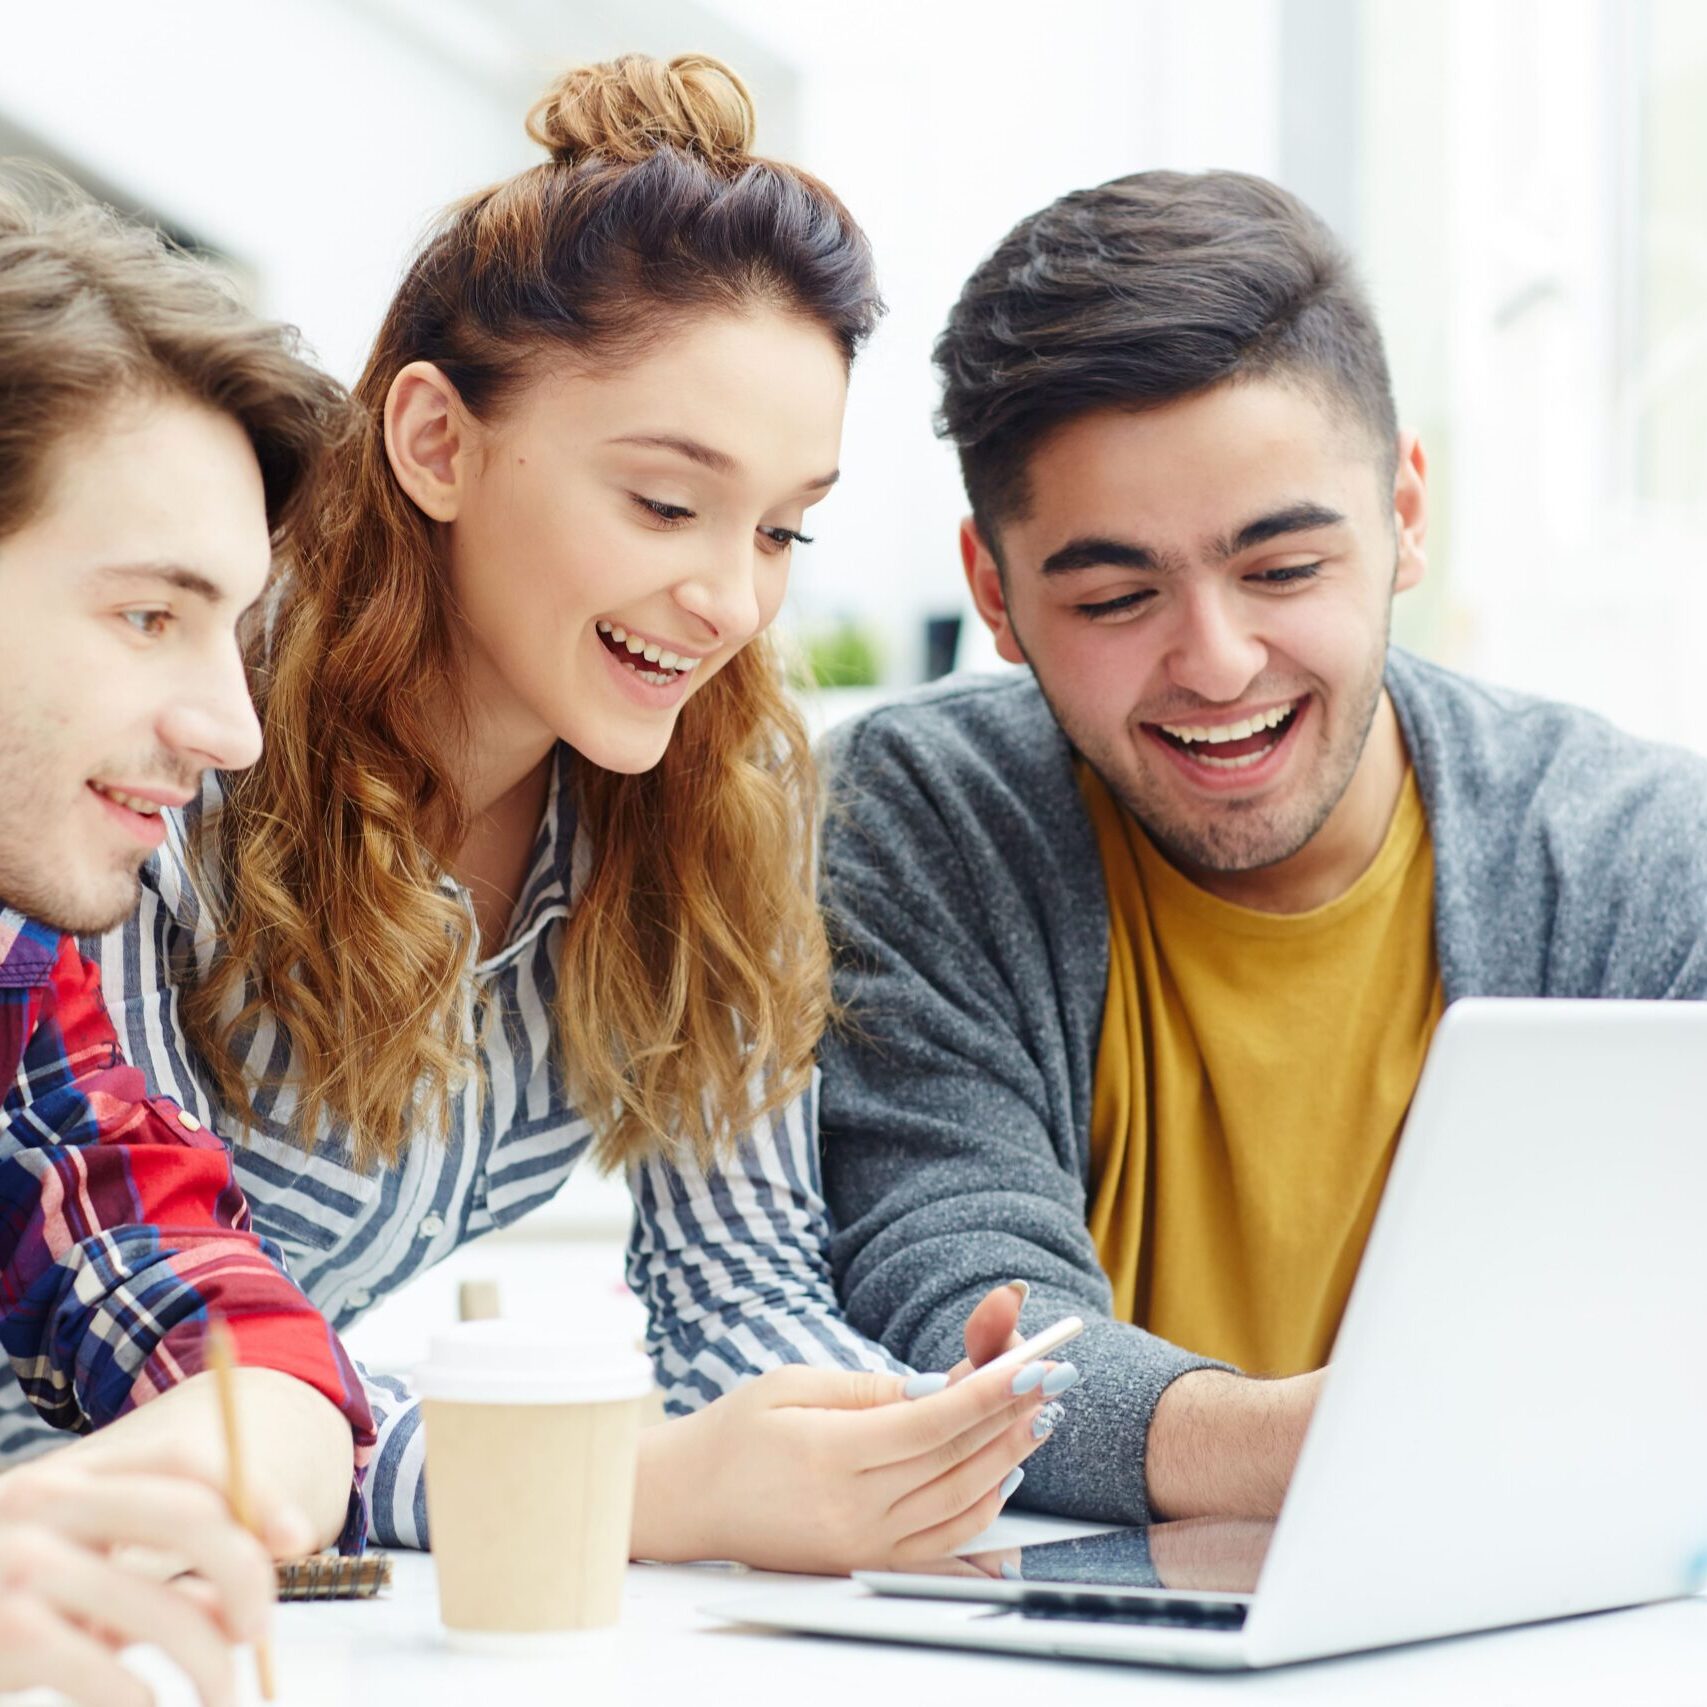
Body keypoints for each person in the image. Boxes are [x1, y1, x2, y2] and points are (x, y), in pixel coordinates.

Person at [46, 54, 1064, 1572]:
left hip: (264, 1520)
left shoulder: (713, 796)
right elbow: (137, 1330)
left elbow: (738, 1287)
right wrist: (628, 1487)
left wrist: (897, 1438)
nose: (730, 598)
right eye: (666, 504)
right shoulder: (173, 742)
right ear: (436, 442)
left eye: (783, 527)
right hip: (101, 1511)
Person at [816, 168, 1707, 1528]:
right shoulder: (926, 825)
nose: (1219, 666)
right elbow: (955, 1311)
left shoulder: (1639, 860)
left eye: (1285, 570)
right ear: (994, 594)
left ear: (1408, 515)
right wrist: (1358, 1444)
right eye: (1117, 596)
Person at [0, 171, 376, 1704]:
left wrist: (73, 1522)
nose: (229, 729)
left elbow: (267, 1368)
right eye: (152, 615)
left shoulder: (18, 980)